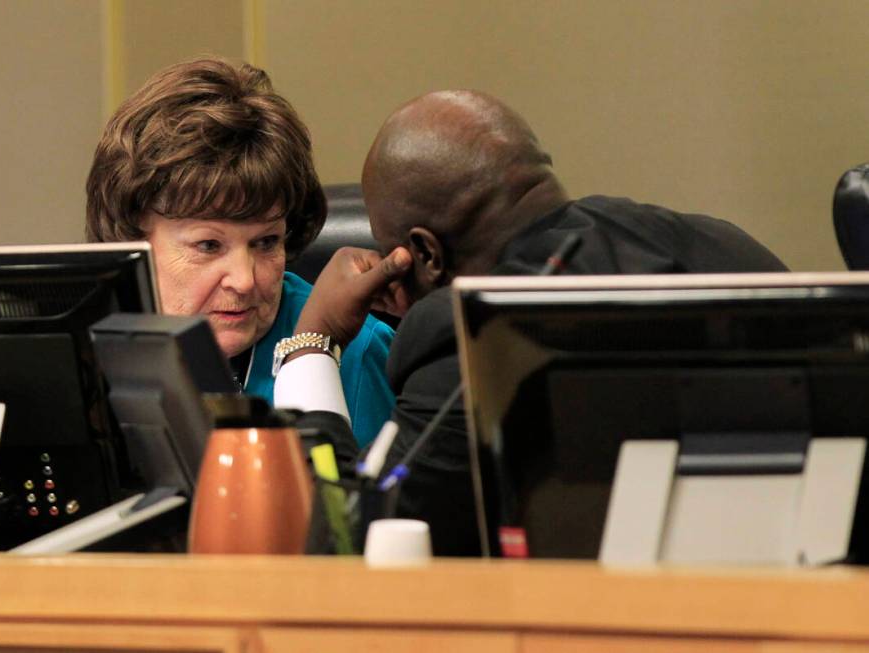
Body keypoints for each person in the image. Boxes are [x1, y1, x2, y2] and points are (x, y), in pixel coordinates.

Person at [273, 90, 788, 555]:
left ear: (425, 254)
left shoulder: (478, 336)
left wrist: (312, 342)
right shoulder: (719, 245)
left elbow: (347, 542)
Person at [85, 57, 394, 446]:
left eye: (266, 242)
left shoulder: (355, 351)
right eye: (209, 245)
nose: (245, 281)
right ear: (133, 240)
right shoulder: (83, 346)